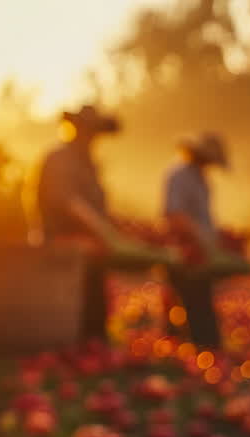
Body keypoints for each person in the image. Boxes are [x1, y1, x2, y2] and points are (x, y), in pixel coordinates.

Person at [36, 106, 171, 343]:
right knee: (88, 277)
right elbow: (70, 203)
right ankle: (83, 338)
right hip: (61, 239)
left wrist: (123, 227)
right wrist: (104, 232)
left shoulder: (88, 162)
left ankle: (94, 337)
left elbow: (98, 209)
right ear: (76, 130)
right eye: (89, 132)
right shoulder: (60, 158)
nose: (93, 138)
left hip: (93, 241)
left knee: (97, 280)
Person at [163, 132, 248, 348]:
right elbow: (175, 215)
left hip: (201, 250)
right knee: (195, 301)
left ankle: (193, 347)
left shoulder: (201, 177)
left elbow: (203, 217)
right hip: (186, 250)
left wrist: (218, 238)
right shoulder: (180, 175)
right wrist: (201, 238)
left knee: (196, 299)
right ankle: (201, 348)